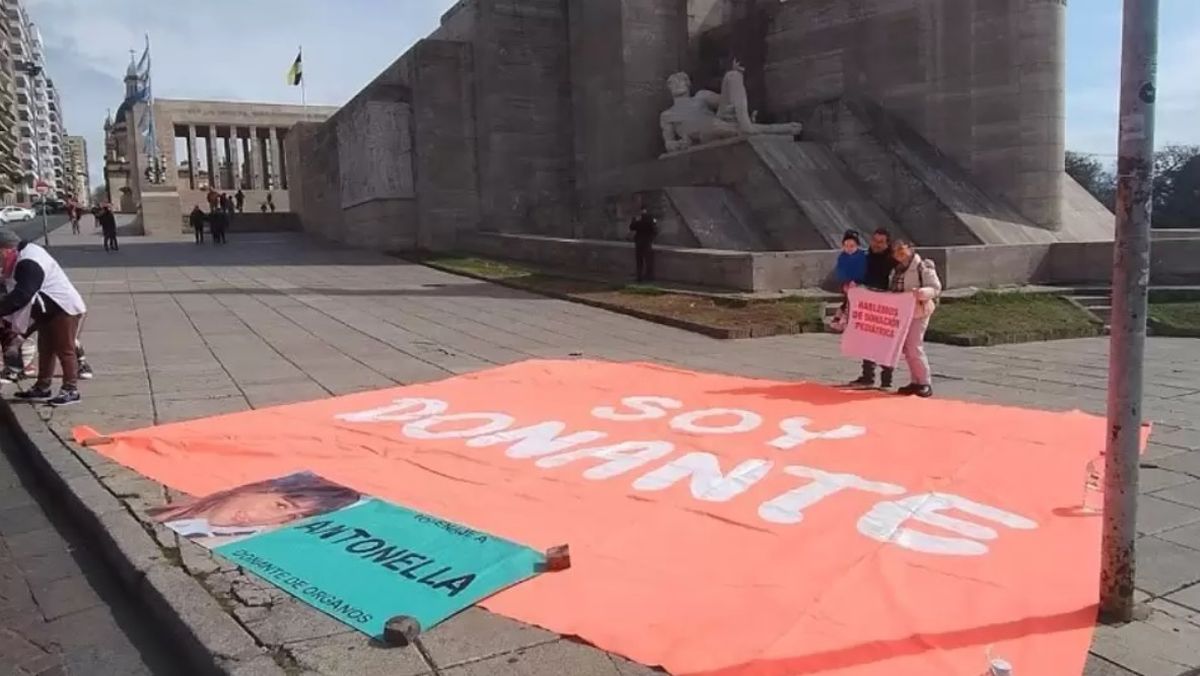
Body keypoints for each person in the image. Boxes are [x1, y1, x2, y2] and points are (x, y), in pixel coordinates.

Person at [148, 472, 362, 545]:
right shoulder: (176, 514)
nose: (273, 519)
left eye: (290, 519)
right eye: (281, 505)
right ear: (262, 489)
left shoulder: (215, 536)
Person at [0, 227, 88, 406]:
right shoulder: (23, 255)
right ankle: (42, 387)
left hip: (64, 308)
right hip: (47, 309)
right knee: (46, 349)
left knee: (65, 349)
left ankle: (71, 390)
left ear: (6, 249)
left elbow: (22, 296)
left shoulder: (28, 262)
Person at [889, 239, 942, 398]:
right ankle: (915, 381)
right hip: (903, 313)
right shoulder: (896, 269)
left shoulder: (922, 266)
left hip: (919, 311)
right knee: (907, 348)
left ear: (910, 249)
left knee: (914, 346)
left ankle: (925, 382)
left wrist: (922, 292)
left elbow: (935, 288)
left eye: (901, 249)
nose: (898, 253)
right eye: (895, 250)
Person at [848, 228, 897, 389]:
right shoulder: (865, 258)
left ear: (887, 243)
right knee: (866, 340)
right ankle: (867, 376)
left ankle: (886, 379)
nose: (877, 245)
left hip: (886, 305)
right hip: (868, 304)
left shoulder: (893, 261)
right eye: (874, 241)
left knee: (885, 343)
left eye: (881, 242)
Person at [629, 207, 658, 283]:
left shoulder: (638, 219)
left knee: (639, 260)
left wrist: (634, 220)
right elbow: (654, 229)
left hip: (639, 241)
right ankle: (649, 276)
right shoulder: (651, 219)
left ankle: (639, 276)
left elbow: (632, 227)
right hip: (647, 241)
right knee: (648, 260)